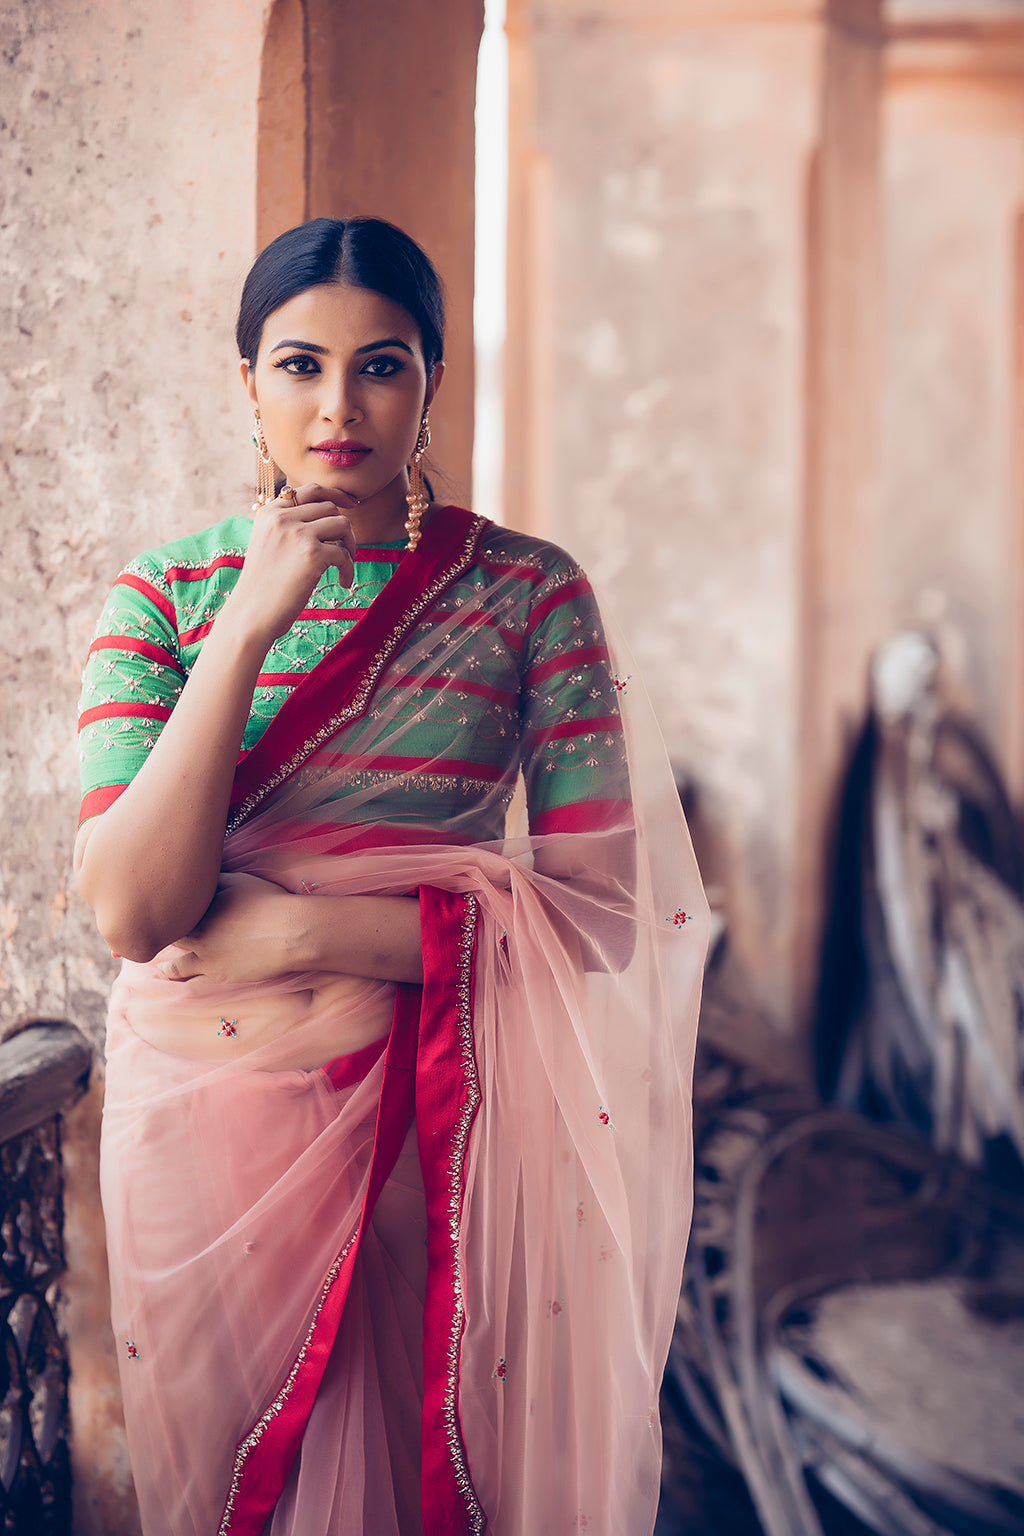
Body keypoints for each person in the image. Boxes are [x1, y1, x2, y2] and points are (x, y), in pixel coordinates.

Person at [75, 216, 708, 1536]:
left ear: (432, 380)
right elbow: (137, 910)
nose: (338, 407)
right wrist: (251, 619)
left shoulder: (529, 594)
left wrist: (305, 934)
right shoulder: (165, 597)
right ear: (248, 380)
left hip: (436, 1115)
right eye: (299, 365)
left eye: (384, 366)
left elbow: (597, 919)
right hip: (203, 1132)